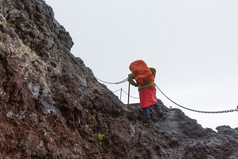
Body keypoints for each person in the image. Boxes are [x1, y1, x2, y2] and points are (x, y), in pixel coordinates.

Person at [128, 60, 162, 127]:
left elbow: (129, 79)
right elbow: (154, 70)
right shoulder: (146, 70)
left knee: (145, 105)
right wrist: (152, 79)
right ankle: (159, 111)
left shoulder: (135, 73)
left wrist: (135, 84)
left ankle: (148, 121)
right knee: (153, 99)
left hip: (143, 88)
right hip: (151, 85)